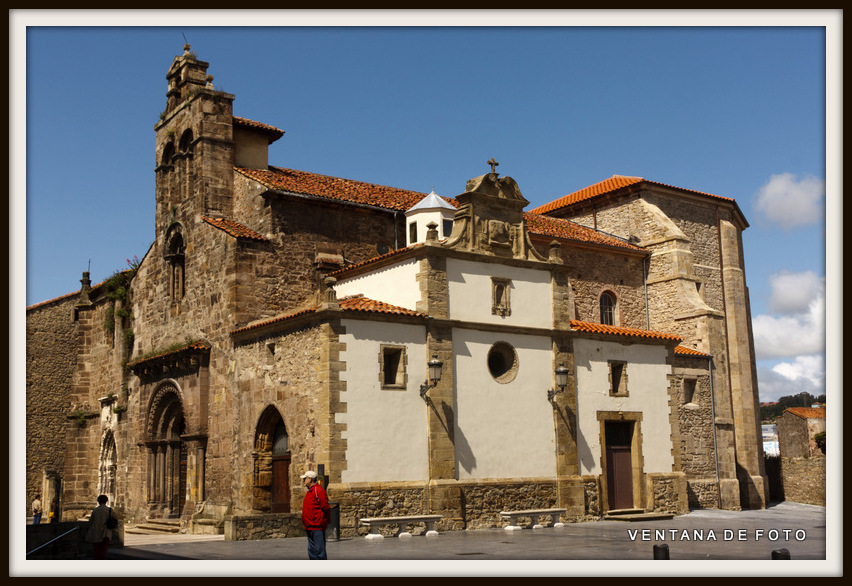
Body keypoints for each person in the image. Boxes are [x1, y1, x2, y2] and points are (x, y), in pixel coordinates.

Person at [300, 470, 330, 560]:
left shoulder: (318, 490)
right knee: (312, 551)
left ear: (310, 479)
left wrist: (323, 521)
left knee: (319, 551)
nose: (304, 480)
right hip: (309, 525)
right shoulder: (310, 491)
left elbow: (325, 507)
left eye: (305, 478)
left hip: (317, 525)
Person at [84, 494, 118, 559]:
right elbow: (116, 518)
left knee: (96, 549)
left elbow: (90, 521)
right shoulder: (109, 510)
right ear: (106, 501)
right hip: (106, 532)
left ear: (98, 501)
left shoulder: (95, 510)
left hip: (96, 531)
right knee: (103, 549)